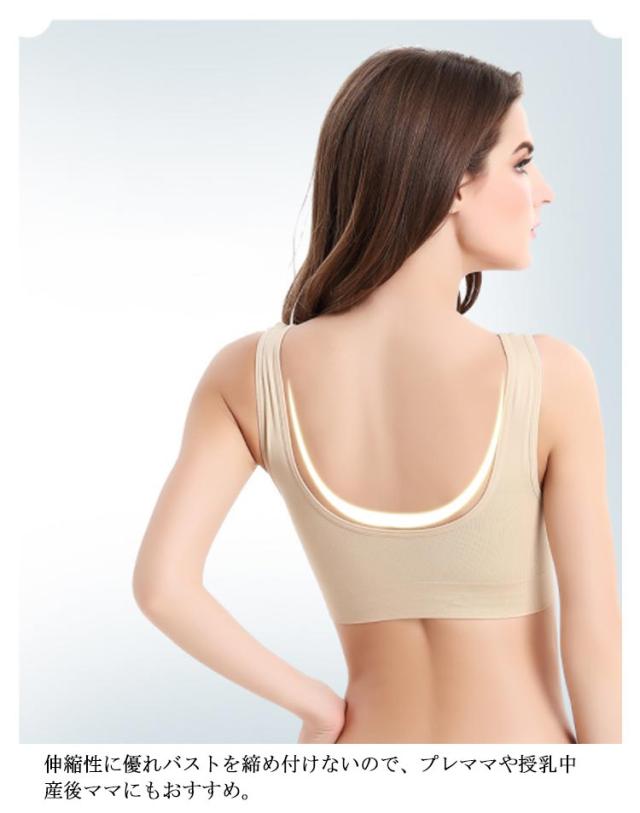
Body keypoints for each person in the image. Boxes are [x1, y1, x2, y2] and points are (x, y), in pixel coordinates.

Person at [132, 47, 621, 744]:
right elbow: (594, 637)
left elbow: (162, 587)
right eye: (521, 163)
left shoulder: (247, 375)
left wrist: (317, 706)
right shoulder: (550, 376)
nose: (543, 190)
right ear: (454, 183)